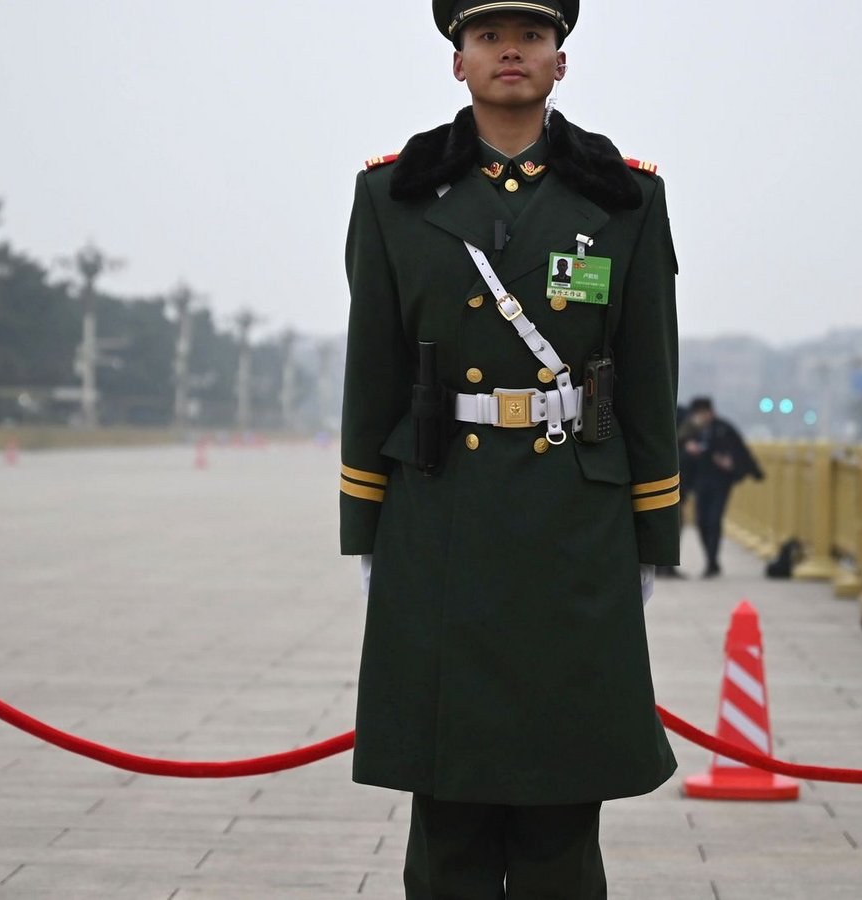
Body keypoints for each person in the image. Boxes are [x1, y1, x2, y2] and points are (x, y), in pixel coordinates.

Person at [337, 1, 681, 896]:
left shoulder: (623, 195)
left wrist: (651, 532)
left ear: (560, 60)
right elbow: (372, 369)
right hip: (440, 508)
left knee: (563, 801)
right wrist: (366, 526)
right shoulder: (395, 193)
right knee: (446, 802)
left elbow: (647, 372)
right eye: (488, 37)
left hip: (574, 517)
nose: (511, 53)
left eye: (530, 36)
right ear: (459, 63)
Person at [678, 397, 761, 578]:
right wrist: (688, 450)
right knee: (701, 522)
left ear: (710, 412)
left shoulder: (724, 428)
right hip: (700, 481)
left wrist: (732, 464)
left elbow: (740, 451)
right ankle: (710, 559)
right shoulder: (692, 431)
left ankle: (712, 562)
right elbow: (680, 452)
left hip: (720, 482)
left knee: (714, 520)